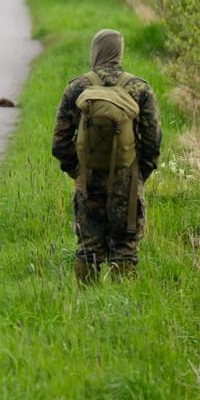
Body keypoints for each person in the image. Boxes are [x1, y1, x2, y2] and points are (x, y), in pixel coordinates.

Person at [51, 29, 161, 282]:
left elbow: (59, 142)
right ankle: (122, 307)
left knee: (88, 248)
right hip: (128, 181)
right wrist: (138, 173)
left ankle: (86, 309)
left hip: (87, 180)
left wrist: (78, 172)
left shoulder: (77, 88)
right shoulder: (140, 89)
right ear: (119, 52)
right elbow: (153, 141)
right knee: (125, 249)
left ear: (95, 51)